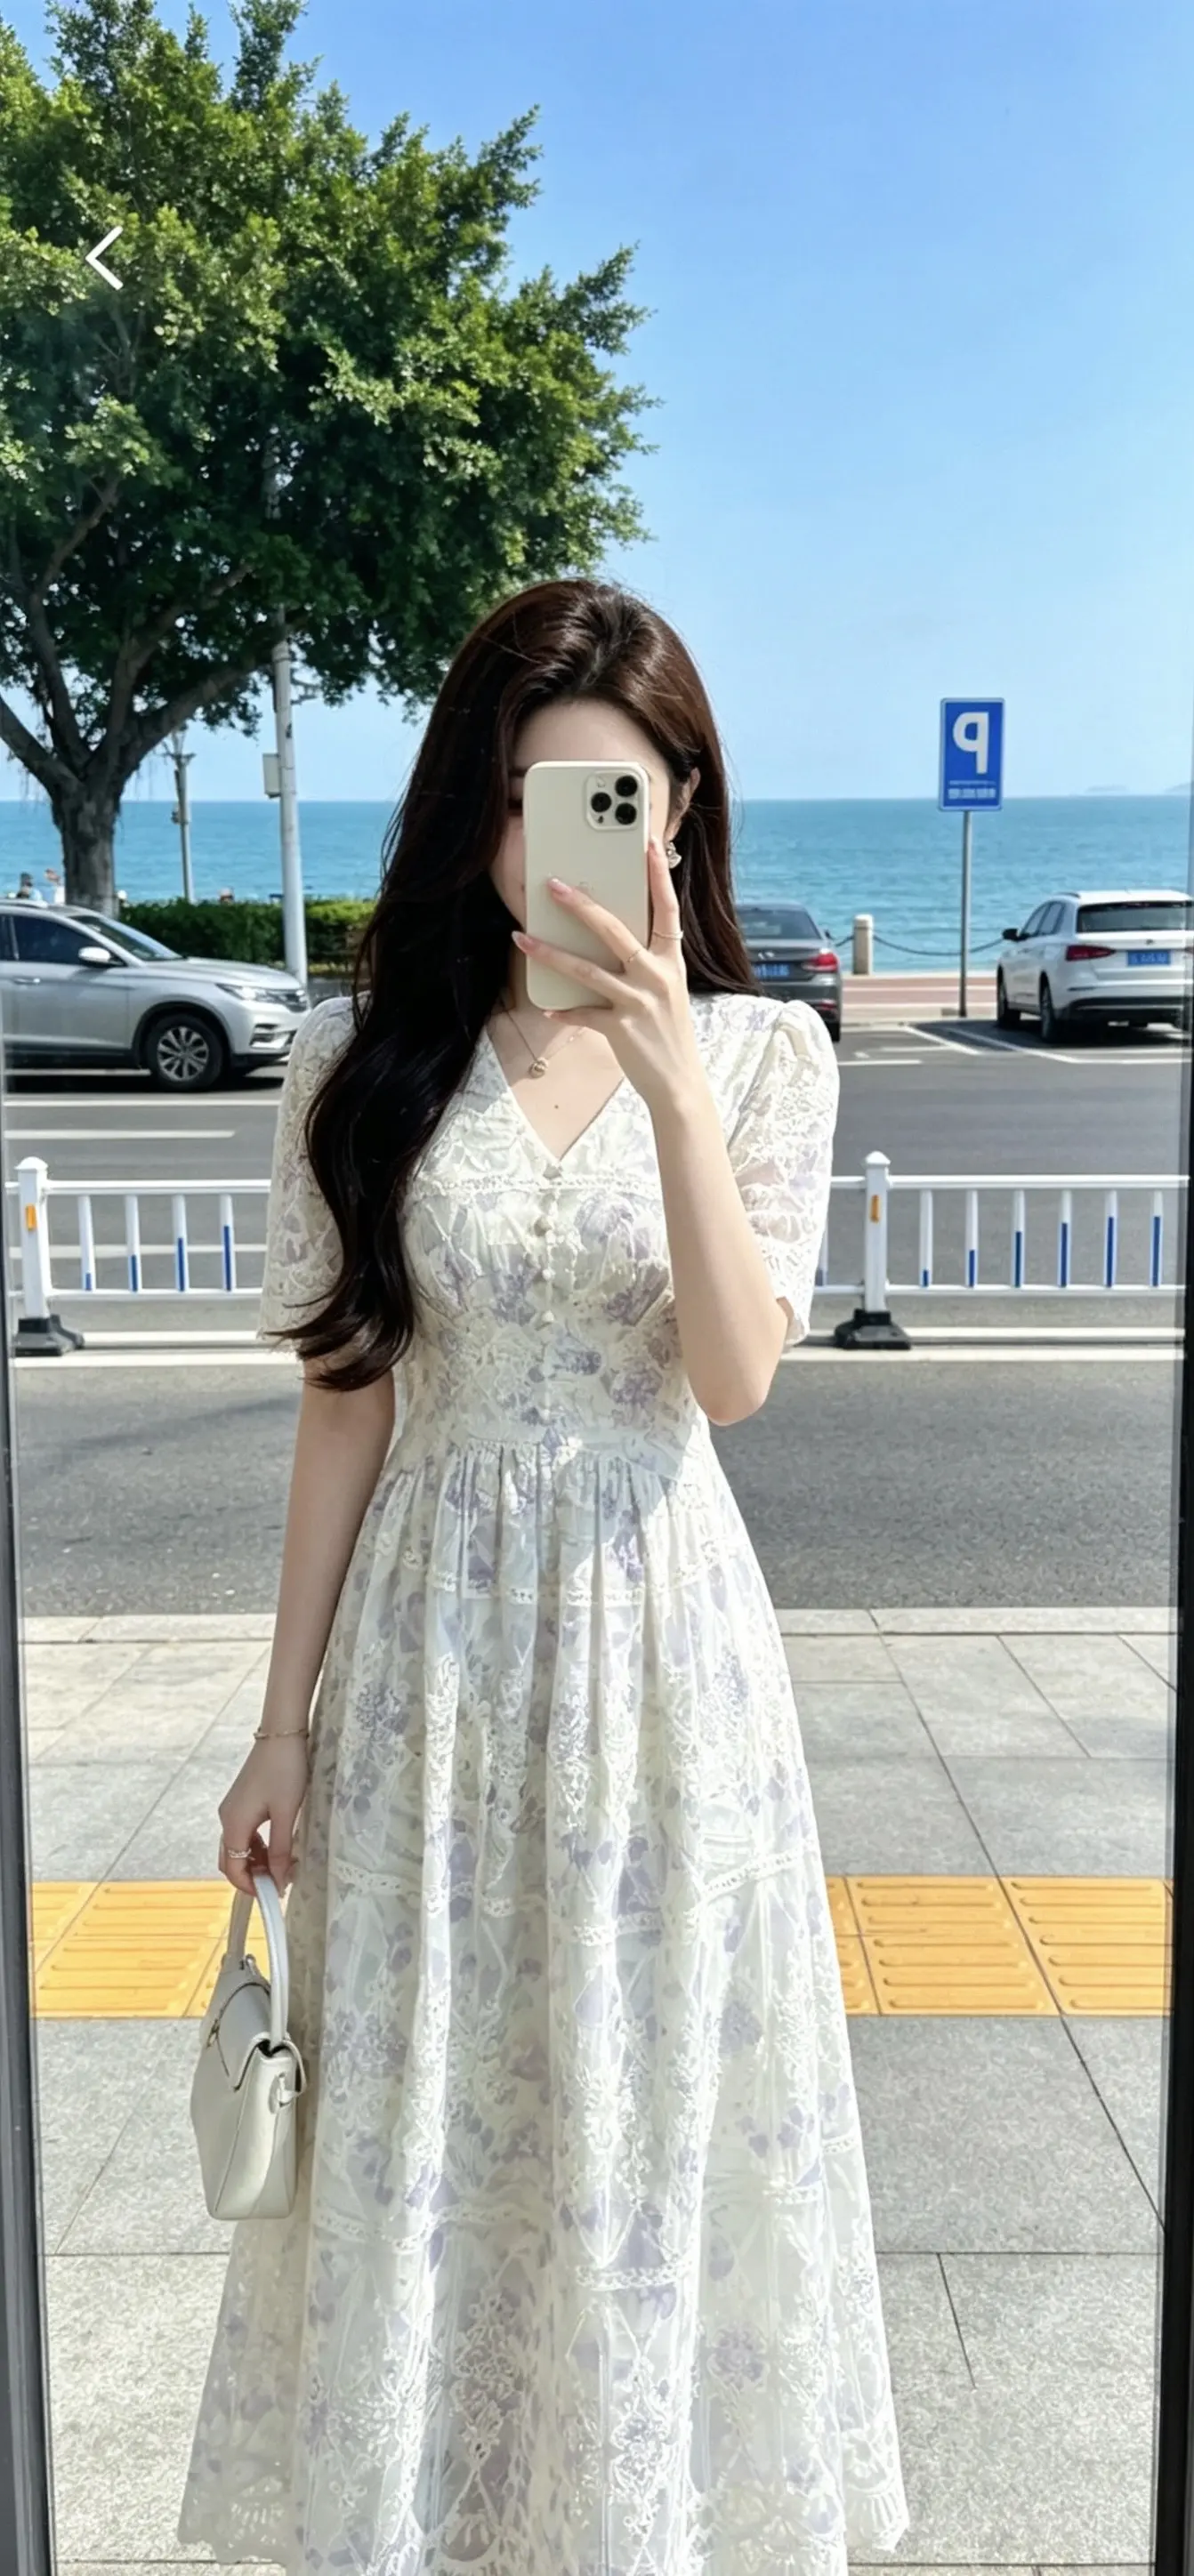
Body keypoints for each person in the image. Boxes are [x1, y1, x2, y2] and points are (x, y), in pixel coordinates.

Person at [177, 578, 909, 2574]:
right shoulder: (360, 1055)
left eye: (607, 798)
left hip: (663, 1655)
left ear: (677, 813)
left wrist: (665, 1073)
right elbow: (345, 1400)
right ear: (468, 808)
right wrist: (277, 1725)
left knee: (641, 2104)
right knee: (436, 2105)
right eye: (518, 797)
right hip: (424, 1656)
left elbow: (735, 1378)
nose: (551, 840)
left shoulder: (761, 1055)